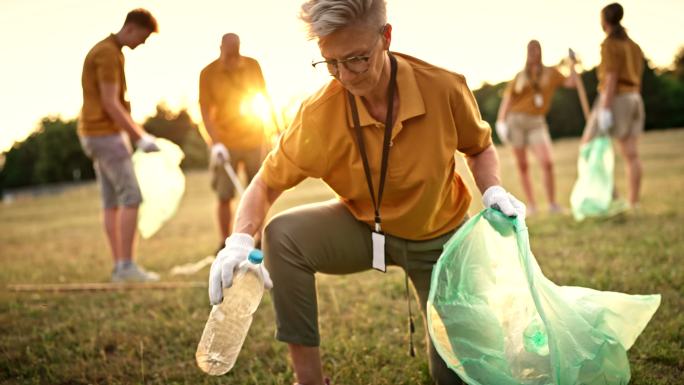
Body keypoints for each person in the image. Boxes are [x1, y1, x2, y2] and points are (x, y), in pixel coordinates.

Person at [207, 1, 525, 384]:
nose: (344, 75)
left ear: (386, 37)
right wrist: (240, 240)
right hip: (365, 228)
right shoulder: (319, 113)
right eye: (330, 62)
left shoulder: (444, 86)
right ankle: (308, 380)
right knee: (282, 235)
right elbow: (266, 182)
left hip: (440, 241)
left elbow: (479, 147)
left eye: (357, 58)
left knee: (458, 377)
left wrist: (492, 190)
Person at [78, 9, 161, 282]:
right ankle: (126, 267)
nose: (142, 44)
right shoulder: (109, 54)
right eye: (143, 37)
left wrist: (138, 132)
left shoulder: (107, 50)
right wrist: (139, 138)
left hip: (93, 133)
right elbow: (111, 103)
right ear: (131, 29)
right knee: (131, 197)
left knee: (111, 202)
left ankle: (119, 267)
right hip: (105, 134)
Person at [199, 33, 269, 250]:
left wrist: (270, 131)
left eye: (236, 50)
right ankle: (224, 242)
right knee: (224, 194)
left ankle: (258, 240)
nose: (233, 57)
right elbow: (205, 111)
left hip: (253, 137)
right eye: (229, 51)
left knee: (258, 191)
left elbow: (263, 97)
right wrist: (216, 142)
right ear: (220, 48)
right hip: (225, 141)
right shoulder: (208, 73)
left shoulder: (252, 66)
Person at [496, 40, 577, 215]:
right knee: (522, 165)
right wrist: (500, 121)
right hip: (515, 121)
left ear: (541, 51)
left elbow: (572, 83)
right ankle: (531, 205)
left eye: (536, 49)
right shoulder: (520, 76)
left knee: (547, 162)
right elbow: (508, 99)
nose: (534, 52)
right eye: (530, 49)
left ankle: (552, 204)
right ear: (527, 52)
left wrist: (573, 65)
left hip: (536, 122)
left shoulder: (551, 73)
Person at [581, 2, 645, 209]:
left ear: (605, 20)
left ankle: (614, 197)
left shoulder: (609, 44)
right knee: (631, 153)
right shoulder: (633, 45)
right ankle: (633, 202)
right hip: (634, 98)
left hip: (615, 98)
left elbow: (611, 77)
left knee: (588, 146)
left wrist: (605, 108)